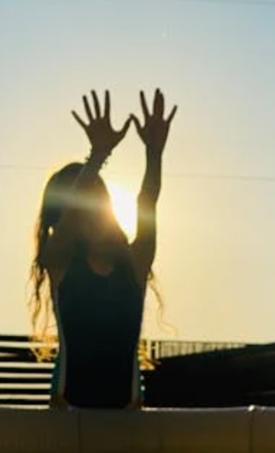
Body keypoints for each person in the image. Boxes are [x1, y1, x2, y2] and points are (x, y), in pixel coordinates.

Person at [29, 89, 177, 409]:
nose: (89, 213)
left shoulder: (135, 262)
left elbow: (147, 201)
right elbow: (70, 216)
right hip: (69, 415)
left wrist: (154, 154)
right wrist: (97, 156)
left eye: (96, 203)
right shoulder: (59, 261)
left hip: (127, 418)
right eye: (80, 208)